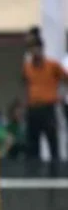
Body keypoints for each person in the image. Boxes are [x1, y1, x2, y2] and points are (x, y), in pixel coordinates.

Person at [22, 36, 66, 173]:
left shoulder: (52, 66)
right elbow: (26, 85)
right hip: (33, 108)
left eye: (37, 48)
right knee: (32, 143)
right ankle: (33, 174)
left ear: (41, 49)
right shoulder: (27, 67)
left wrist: (60, 96)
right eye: (32, 49)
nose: (35, 52)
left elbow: (65, 78)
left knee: (52, 141)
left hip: (48, 108)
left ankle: (55, 173)